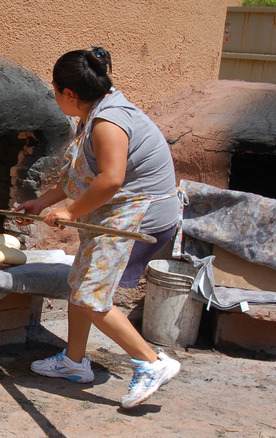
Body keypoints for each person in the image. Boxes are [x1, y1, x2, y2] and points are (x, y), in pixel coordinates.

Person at [16, 47, 183, 409]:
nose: (56, 96)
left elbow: (111, 179)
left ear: (69, 93)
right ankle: (74, 363)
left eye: (55, 89)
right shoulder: (93, 112)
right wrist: (43, 202)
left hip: (140, 216)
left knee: (92, 294)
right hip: (119, 211)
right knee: (81, 282)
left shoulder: (109, 121)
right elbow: (82, 175)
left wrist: (71, 212)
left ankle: (151, 364)